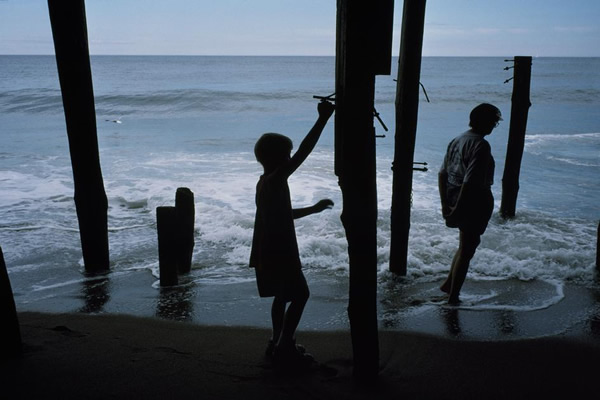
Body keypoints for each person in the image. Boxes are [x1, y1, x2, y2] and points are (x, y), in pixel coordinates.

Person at [249, 100, 335, 367]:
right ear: (277, 160)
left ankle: (277, 339)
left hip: (268, 250)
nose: (290, 159)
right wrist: (323, 119)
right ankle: (285, 345)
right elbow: (303, 154)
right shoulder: (276, 179)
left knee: (281, 296)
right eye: (286, 155)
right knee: (300, 295)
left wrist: (313, 209)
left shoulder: (263, 183)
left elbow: (282, 214)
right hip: (281, 251)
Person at [438, 103, 502, 305]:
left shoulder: (457, 140)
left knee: (465, 244)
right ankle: (453, 297)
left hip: (454, 195)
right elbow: (471, 182)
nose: (494, 126)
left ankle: (449, 284)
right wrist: (459, 209)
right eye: (494, 122)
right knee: (468, 248)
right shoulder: (481, 145)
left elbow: (442, 174)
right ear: (487, 123)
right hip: (475, 200)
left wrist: (446, 204)